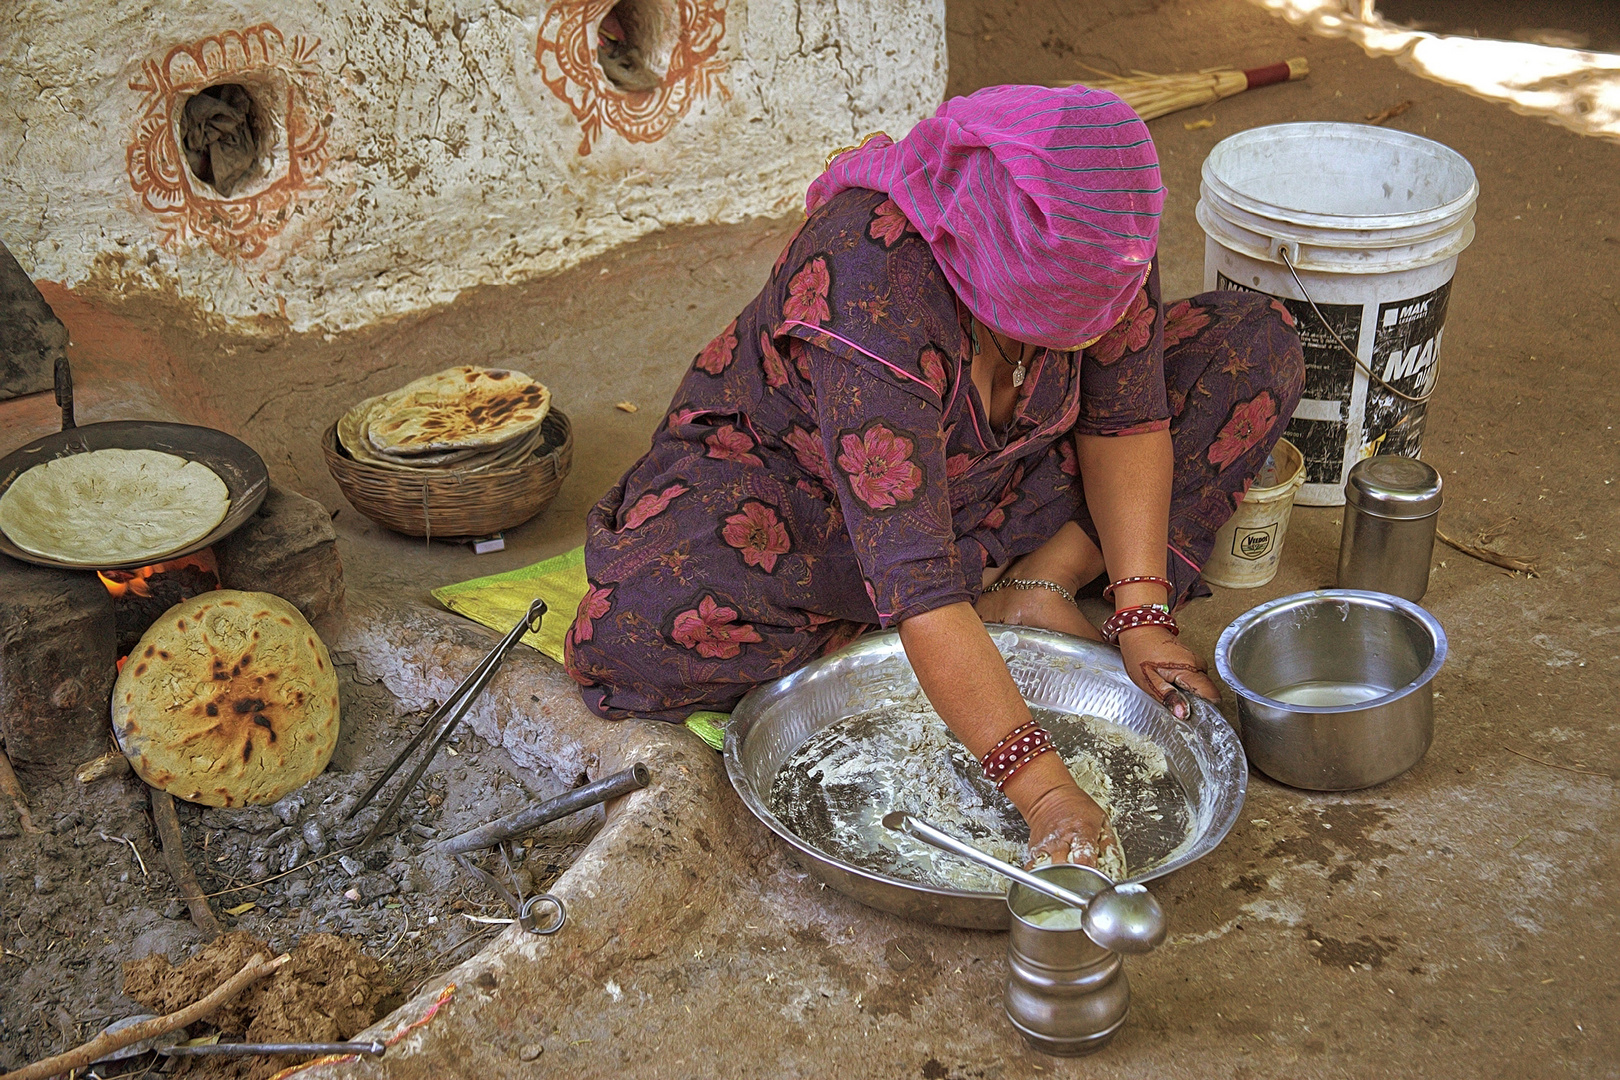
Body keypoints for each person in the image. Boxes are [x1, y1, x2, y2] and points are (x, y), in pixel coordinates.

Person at [566, 84, 1303, 869]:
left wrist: (1142, 608)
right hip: (815, 508)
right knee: (636, 630)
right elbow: (915, 577)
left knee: (1252, 345)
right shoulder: (871, 278)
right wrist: (1048, 793)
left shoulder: (1101, 224)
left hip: (999, 478)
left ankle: (1039, 584)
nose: (1104, 319)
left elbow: (1126, 419)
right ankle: (964, 614)